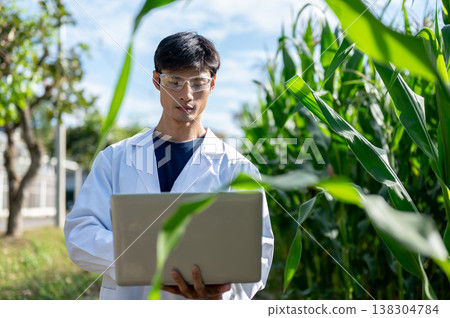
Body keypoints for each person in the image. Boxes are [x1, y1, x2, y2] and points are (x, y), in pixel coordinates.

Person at [64, 31, 274, 300]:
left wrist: (218, 295)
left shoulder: (237, 169)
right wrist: (147, 259)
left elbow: (258, 253)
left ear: (212, 84)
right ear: (156, 80)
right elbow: (80, 234)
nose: (186, 95)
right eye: (174, 82)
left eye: (198, 83)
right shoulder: (114, 159)